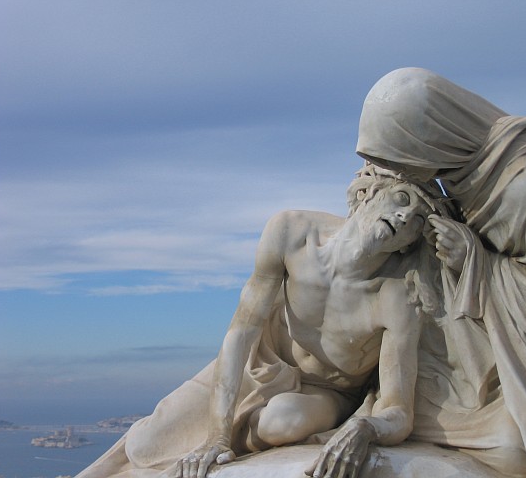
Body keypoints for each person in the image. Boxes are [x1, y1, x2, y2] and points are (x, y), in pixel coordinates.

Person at [76, 164, 448, 478]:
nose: (404, 217)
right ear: (370, 193)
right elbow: (242, 331)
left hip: (327, 393)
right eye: (402, 200)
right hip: (261, 361)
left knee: (284, 421)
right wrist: (216, 435)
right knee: (145, 443)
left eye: (417, 220)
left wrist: (367, 427)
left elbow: (399, 409)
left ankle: (228, 453)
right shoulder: (291, 231)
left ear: (408, 244)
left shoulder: (396, 297)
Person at [356, 67, 526, 477]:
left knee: (520, 439)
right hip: (492, 336)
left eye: (403, 157)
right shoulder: (460, 168)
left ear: (431, 136)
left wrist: (472, 260)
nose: (404, 172)